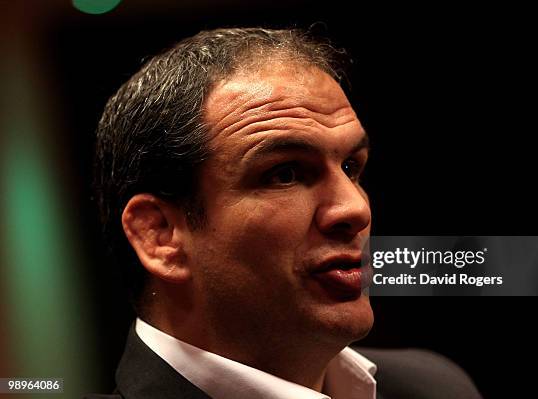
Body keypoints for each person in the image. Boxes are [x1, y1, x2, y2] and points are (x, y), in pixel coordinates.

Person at [87, 27, 482, 399]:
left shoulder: (435, 387)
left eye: (350, 167)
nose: (355, 208)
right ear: (160, 235)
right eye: (285, 174)